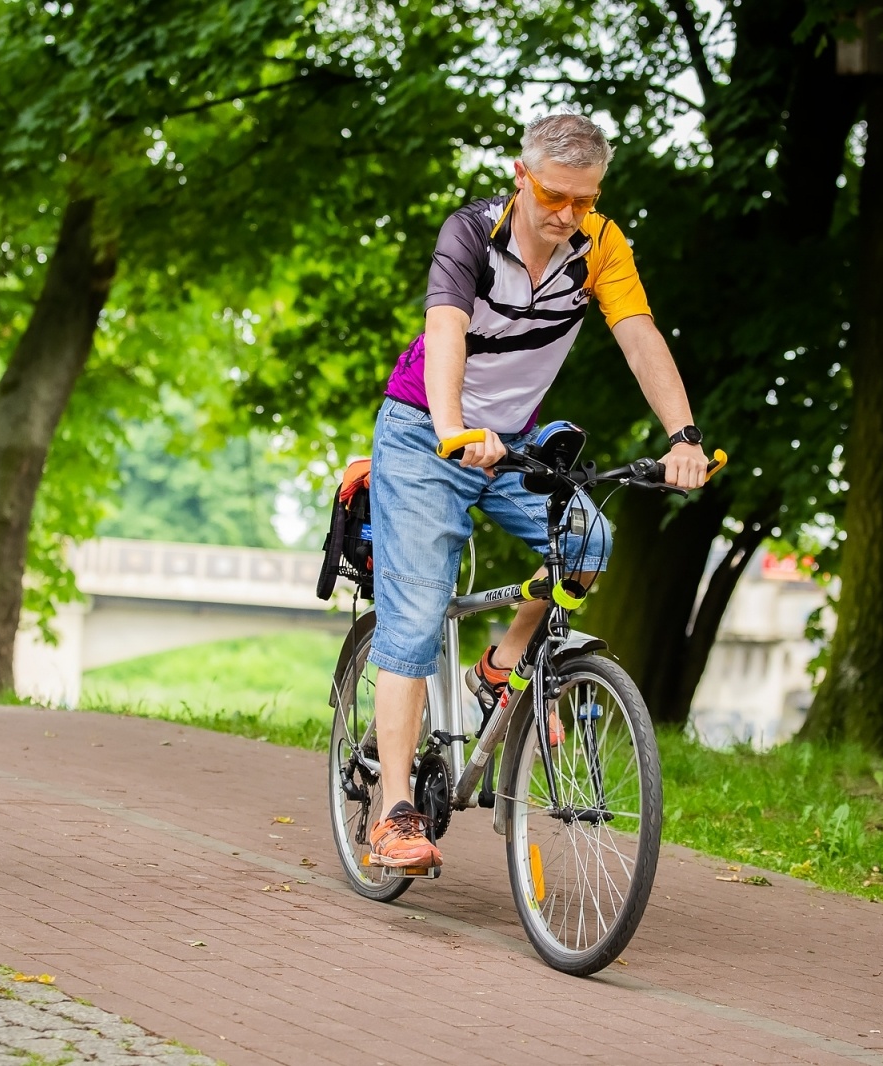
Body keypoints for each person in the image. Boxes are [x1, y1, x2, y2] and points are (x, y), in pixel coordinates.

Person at [366, 113, 710, 868]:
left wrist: (683, 436)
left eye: (584, 201)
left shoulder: (599, 245)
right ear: (522, 176)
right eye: (555, 196)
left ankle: (502, 666)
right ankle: (393, 812)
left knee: (590, 540)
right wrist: (455, 428)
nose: (567, 216)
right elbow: (448, 329)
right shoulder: (471, 236)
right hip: (426, 427)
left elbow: (639, 333)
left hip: (512, 437)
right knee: (418, 613)